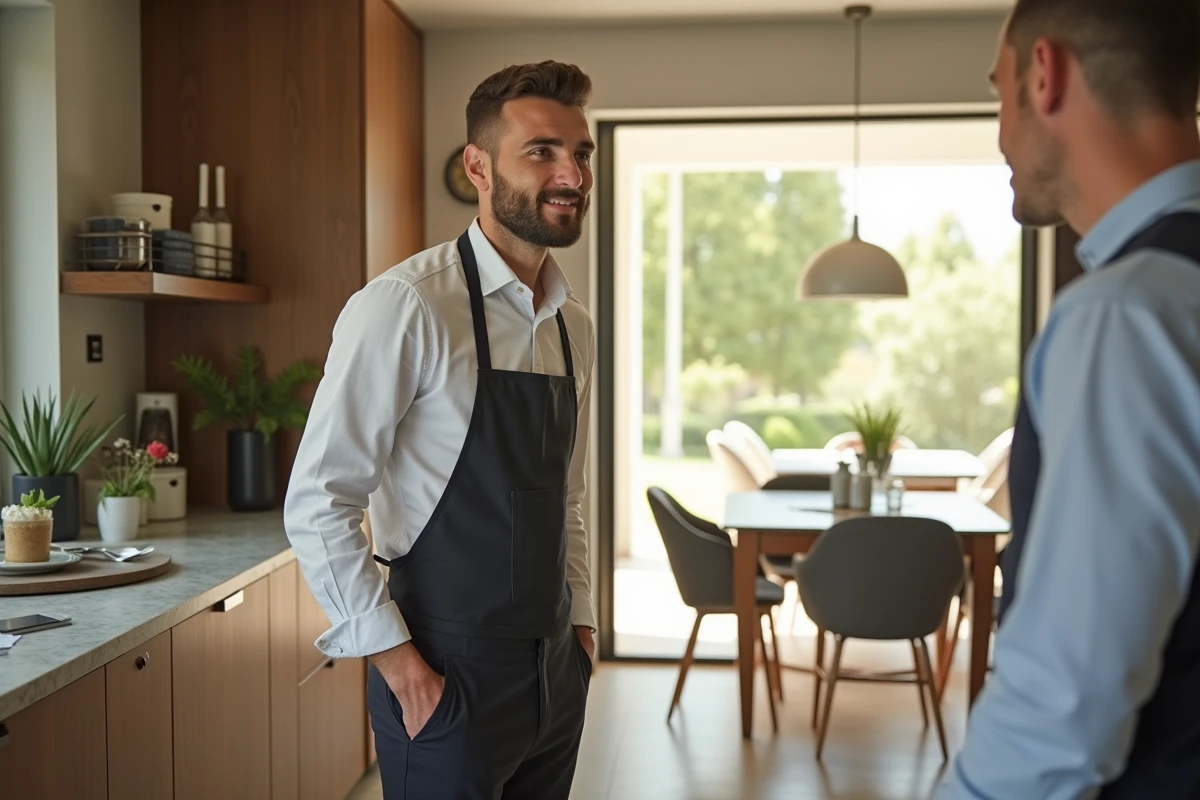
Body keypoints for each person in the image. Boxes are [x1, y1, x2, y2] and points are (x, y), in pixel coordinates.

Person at [284, 60, 598, 799]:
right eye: (542, 151)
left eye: (581, 153)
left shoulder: (571, 325)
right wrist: (399, 665)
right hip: (445, 671)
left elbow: (570, 498)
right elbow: (318, 500)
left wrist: (581, 630)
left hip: (554, 669)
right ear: (478, 166)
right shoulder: (406, 306)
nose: (573, 175)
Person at [939, 1, 1200, 797]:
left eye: (998, 94)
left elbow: (1064, 701)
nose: (1000, 135)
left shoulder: (1127, 313)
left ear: (1044, 75)